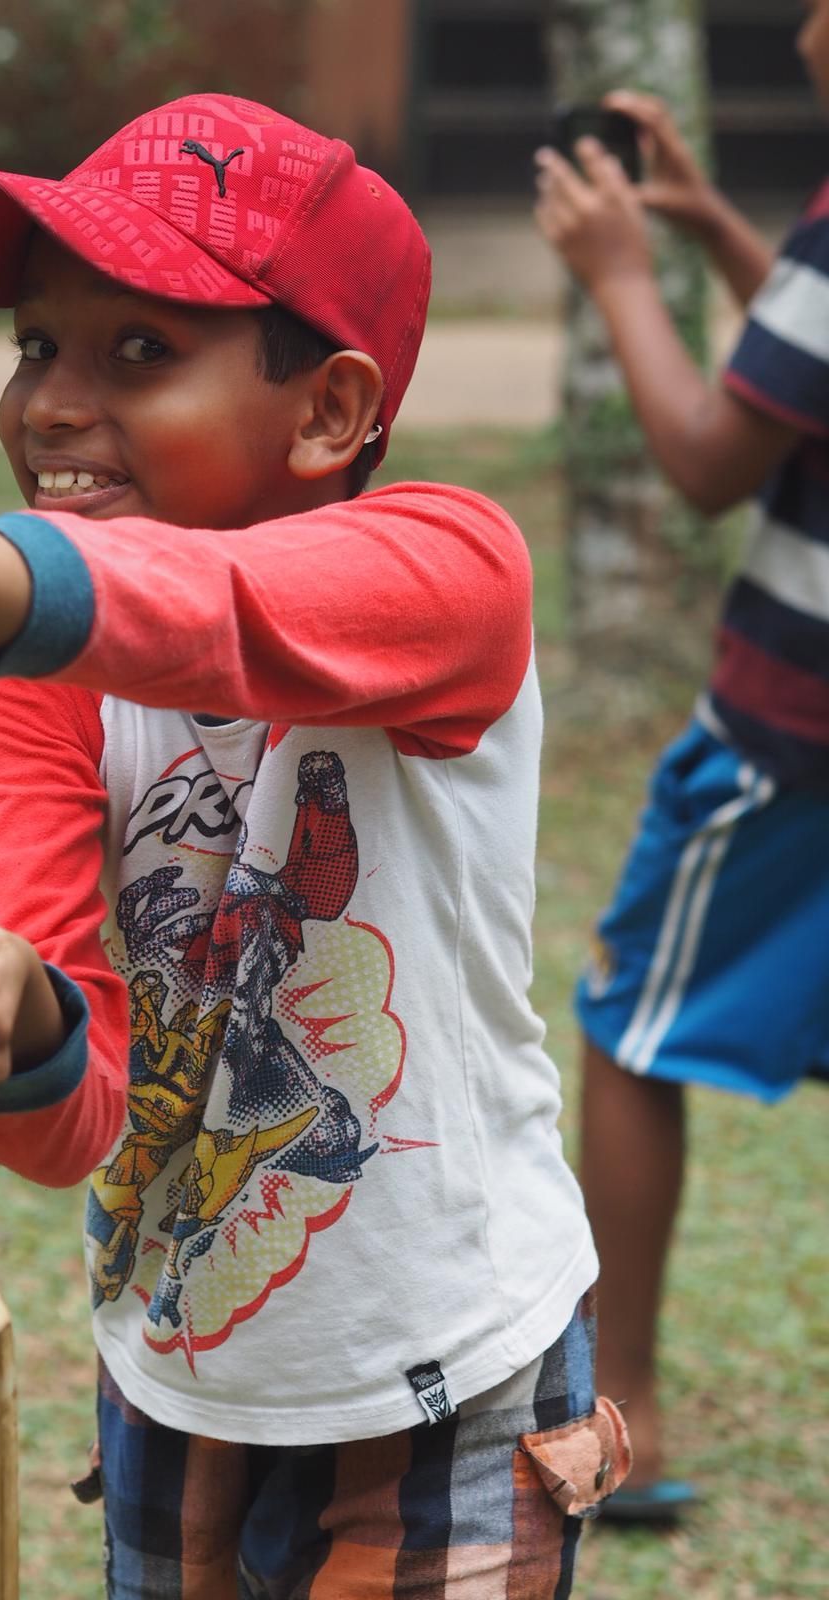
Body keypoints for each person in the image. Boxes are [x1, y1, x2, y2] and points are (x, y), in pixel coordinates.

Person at [0, 93, 629, 1596]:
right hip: (174, 1373)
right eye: (36, 344)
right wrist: (8, 1014)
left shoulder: (452, 573)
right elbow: (79, 1120)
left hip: (450, 1374)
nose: (49, 404)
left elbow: (211, 607)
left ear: (331, 412)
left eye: (138, 350)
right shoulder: (32, 680)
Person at [533, 0, 829, 1525]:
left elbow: (715, 458)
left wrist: (620, 274)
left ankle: (619, 1406)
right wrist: (714, 224)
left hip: (789, 739)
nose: (806, 27)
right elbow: (807, 373)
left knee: (634, 1022)